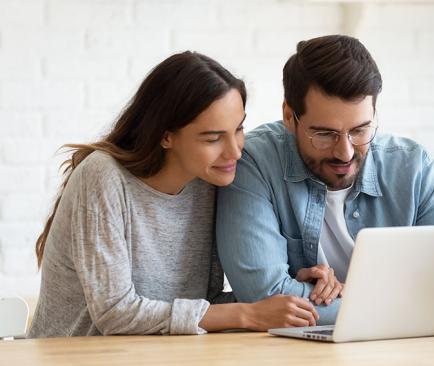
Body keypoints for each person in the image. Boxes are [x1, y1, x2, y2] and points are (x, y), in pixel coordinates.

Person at [27, 51, 320, 338]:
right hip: (74, 357)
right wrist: (247, 314)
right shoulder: (103, 176)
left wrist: (283, 298)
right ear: (166, 136)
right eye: (213, 137)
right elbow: (115, 312)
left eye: (239, 128)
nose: (235, 151)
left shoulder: (208, 182)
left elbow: (198, 308)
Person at [216, 35, 434, 326]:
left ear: (375, 114)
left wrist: (348, 297)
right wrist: (413, 303)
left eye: (360, 130)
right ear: (290, 116)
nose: (345, 152)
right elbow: (263, 297)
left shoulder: (414, 167)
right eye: (325, 134)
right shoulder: (254, 163)